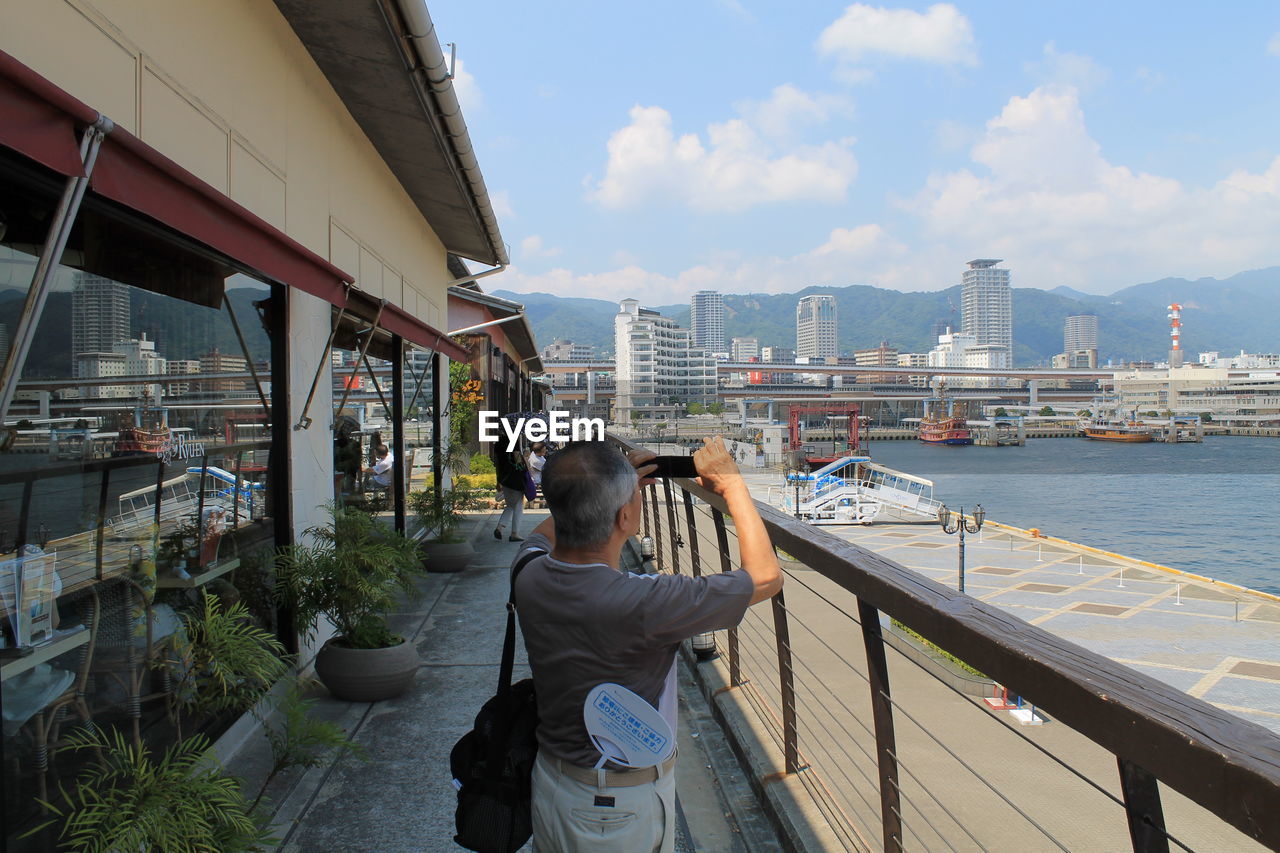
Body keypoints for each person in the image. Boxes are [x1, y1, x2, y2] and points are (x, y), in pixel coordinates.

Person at [512, 437, 782, 853]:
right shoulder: (645, 602)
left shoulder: (527, 571)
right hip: (614, 812)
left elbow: (546, 533)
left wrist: (608, 484)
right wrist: (732, 486)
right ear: (625, 517)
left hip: (551, 783)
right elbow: (766, 577)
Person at [494, 447, 528, 541]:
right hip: (515, 480)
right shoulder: (513, 444)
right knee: (518, 506)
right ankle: (514, 533)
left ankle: (499, 528)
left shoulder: (499, 445)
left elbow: (497, 464)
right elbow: (519, 461)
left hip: (505, 481)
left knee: (510, 505)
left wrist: (498, 481)